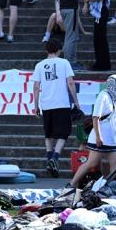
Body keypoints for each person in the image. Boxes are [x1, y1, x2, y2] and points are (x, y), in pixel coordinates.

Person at [32, 39, 81, 177]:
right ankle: (55, 157)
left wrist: (35, 106)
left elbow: (36, 87)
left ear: (46, 50)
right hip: (61, 103)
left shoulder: (39, 65)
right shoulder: (64, 63)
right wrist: (76, 102)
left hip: (46, 104)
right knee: (63, 132)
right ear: (59, 50)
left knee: (48, 133)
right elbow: (70, 82)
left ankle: (49, 160)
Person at [71, 74, 116, 188]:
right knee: (92, 163)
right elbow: (95, 117)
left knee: (115, 164)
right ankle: (72, 184)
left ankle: (111, 188)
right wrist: (98, 136)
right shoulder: (103, 96)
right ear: (114, 85)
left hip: (111, 137)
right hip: (101, 135)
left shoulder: (114, 99)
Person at [82, 0, 112, 71]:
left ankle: (103, 64)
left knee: (101, 38)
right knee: (97, 39)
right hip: (98, 12)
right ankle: (100, 63)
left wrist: (89, 0)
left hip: (102, 11)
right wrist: (86, 3)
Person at [58, 0, 85, 70]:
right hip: (70, 8)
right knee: (71, 36)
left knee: (70, 35)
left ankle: (70, 61)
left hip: (63, 7)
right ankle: (70, 62)